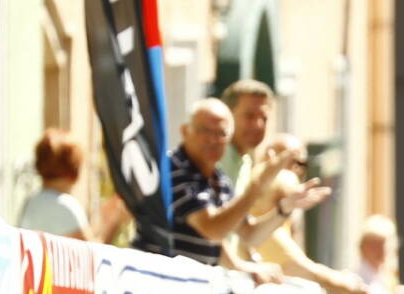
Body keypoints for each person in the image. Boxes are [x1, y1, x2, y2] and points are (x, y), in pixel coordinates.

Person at [133, 99, 328, 281]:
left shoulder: (219, 179)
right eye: (204, 131)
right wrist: (257, 186)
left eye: (221, 134)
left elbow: (249, 234)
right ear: (185, 131)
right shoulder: (172, 168)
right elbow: (212, 228)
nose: (212, 139)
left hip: (190, 292)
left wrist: (284, 207)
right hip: (159, 287)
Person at [242, 133, 367, 294]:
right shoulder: (261, 209)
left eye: (303, 164)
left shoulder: (280, 212)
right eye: (293, 161)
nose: (298, 170)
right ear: (268, 158)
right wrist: (347, 285)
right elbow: (299, 268)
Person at [18, 128, 126, 242]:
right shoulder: (64, 205)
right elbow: (92, 254)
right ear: (74, 169)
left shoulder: (32, 201)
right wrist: (116, 220)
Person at [218, 79, 274, 188]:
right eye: (249, 116)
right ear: (228, 115)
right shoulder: (213, 159)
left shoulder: (246, 162)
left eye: (264, 118)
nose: (258, 125)